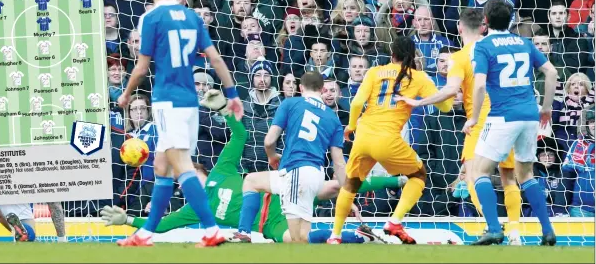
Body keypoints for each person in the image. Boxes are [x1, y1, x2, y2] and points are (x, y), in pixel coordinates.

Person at [102, 90, 402, 244]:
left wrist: (223, 110)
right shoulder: (195, 207)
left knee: (336, 186)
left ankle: (396, 181)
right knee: (298, 241)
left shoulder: (222, 169)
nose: (183, 182)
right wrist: (128, 220)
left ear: (198, 168)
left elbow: (241, 134)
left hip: (279, 192)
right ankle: (362, 237)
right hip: (269, 225)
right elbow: (163, 226)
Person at [115, 0, 243, 248]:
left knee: (182, 166)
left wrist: (126, 94)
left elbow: (141, 66)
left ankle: (212, 230)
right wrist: (232, 93)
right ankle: (146, 234)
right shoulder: (191, 16)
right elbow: (216, 59)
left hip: (167, 102)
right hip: (189, 102)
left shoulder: (151, 18)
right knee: (162, 166)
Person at [395, 8, 523, 245]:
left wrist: (418, 101)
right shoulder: (497, 48)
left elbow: (450, 90)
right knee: (509, 178)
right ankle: (514, 232)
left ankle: (493, 226)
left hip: (483, 120)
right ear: (484, 26)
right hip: (511, 116)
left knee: (474, 176)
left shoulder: (461, 57)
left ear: (459, 28)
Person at [327, 36, 454, 244]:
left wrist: (351, 125)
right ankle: (395, 221)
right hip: (387, 139)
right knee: (419, 175)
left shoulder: (375, 72)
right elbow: (446, 107)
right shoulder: (419, 77)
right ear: (413, 55)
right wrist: (449, 88)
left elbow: (357, 101)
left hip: (364, 135)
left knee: (350, 185)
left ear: (392, 54)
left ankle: (335, 235)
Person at [461, 0, 558, 246]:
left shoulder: (483, 46)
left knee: (480, 171)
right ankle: (547, 231)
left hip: (502, 116)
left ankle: (494, 228)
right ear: (511, 19)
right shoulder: (525, 43)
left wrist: (473, 118)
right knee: (525, 174)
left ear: (485, 21)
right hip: (529, 115)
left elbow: (480, 83)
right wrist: (546, 108)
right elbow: (552, 72)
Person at [233, 72, 347, 243]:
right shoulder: (333, 117)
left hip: (296, 173)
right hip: (312, 174)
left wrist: (272, 157)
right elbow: (338, 162)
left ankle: (352, 237)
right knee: (252, 180)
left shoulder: (291, 103)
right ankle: (244, 233)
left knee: (297, 240)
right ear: (322, 89)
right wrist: (346, 194)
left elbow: (269, 140)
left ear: (300, 88)